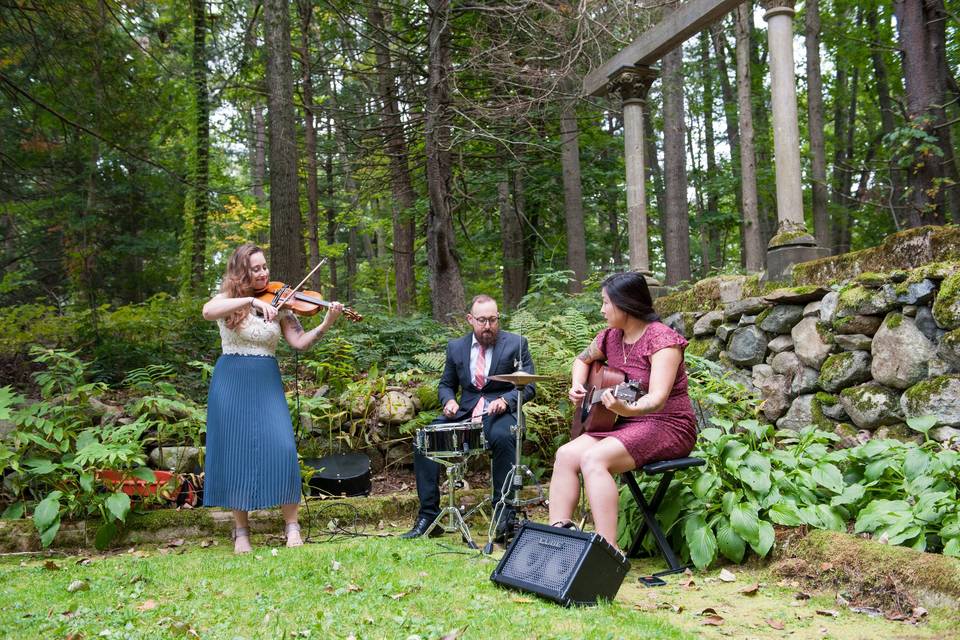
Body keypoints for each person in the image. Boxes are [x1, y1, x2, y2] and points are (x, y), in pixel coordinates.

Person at [201, 243, 344, 554]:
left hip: (266, 379)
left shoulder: (282, 305)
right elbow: (206, 311)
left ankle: (291, 525)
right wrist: (251, 299)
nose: (263, 272)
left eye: (265, 266)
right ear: (242, 271)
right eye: (256, 268)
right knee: (236, 452)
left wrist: (326, 323)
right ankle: (241, 531)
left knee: (282, 447)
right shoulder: (228, 299)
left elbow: (300, 343)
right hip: (232, 379)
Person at [548, 272, 697, 551]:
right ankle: (557, 538)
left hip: (667, 424)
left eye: (606, 303)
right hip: (623, 422)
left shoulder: (663, 340)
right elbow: (581, 359)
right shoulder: (609, 338)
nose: (602, 310)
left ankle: (607, 550)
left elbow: (657, 399)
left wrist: (625, 408)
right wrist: (578, 385)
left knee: (594, 459)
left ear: (625, 304)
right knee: (566, 455)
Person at [402, 295, 536, 540]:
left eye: (493, 320)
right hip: (464, 414)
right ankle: (429, 516)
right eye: (482, 320)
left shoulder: (517, 343)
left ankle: (504, 520)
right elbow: (446, 384)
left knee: (505, 437)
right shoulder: (456, 347)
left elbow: (528, 386)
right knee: (424, 441)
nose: (488, 326)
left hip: (501, 414)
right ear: (470, 319)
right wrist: (449, 401)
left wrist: (506, 400)